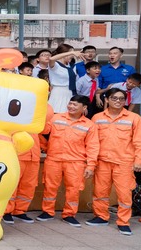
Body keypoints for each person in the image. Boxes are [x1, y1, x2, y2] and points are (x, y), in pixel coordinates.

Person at [87, 87, 141, 235]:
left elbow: (140, 142)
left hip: (124, 162)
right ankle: (101, 216)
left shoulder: (134, 118)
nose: (118, 101)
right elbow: (91, 142)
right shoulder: (97, 118)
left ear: (125, 101)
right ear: (107, 100)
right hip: (102, 161)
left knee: (124, 194)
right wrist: (91, 162)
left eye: (121, 98)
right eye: (114, 98)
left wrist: (139, 160)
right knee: (100, 192)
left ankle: (123, 222)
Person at [36, 95, 98, 226]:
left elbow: (92, 146)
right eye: (70, 103)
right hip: (54, 159)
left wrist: (90, 166)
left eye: (75, 104)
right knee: (49, 187)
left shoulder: (89, 125)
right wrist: (45, 147)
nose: (71, 106)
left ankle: (69, 214)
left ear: (84, 107)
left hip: (76, 162)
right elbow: (42, 131)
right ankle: (47, 211)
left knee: (73, 189)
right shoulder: (56, 118)